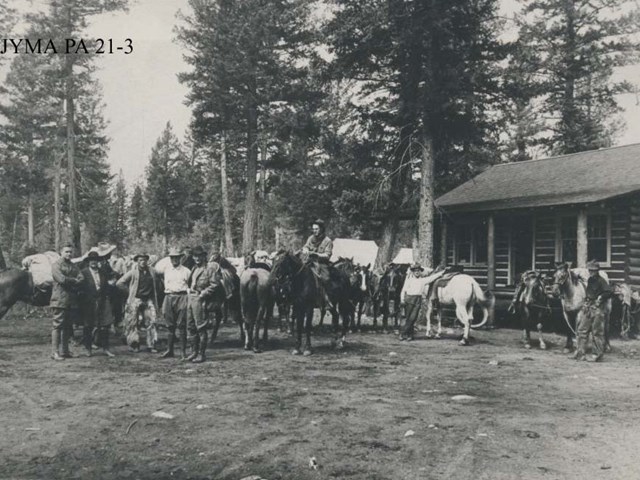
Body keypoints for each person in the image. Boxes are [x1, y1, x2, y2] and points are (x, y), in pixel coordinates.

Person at [116, 252, 162, 352]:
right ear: (137, 261)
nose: (142, 262)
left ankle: (151, 345)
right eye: (140, 260)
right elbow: (119, 283)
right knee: (133, 322)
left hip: (148, 299)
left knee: (151, 321)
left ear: (147, 261)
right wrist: (130, 293)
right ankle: (134, 344)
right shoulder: (133, 272)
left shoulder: (152, 271)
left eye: (144, 260)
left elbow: (160, 277)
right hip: (135, 299)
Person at [571, 260, 612, 362]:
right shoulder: (590, 280)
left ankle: (597, 355)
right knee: (581, 330)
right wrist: (586, 302)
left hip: (598, 309)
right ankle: (580, 353)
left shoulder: (601, 281)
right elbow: (589, 293)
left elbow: (608, 292)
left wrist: (600, 297)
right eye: (590, 270)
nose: (591, 272)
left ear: (597, 270)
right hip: (588, 307)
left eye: (593, 270)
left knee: (597, 332)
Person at [50, 244, 84, 361]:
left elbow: (82, 278)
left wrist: (74, 280)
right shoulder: (56, 265)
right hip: (59, 299)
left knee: (67, 327)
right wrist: (74, 280)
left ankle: (65, 351)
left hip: (71, 300)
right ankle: (54, 352)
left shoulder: (73, 266)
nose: (69, 254)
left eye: (70, 252)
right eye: (66, 252)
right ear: (61, 253)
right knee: (57, 326)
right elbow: (61, 280)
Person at [187, 246, 220, 363]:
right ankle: (194, 352)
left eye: (199, 256)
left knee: (200, 327)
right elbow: (191, 282)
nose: (197, 258)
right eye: (195, 256)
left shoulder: (209, 269)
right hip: (191, 298)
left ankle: (201, 354)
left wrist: (203, 294)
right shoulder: (194, 268)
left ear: (203, 256)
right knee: (191, 327)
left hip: (200, 299)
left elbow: (215, 284)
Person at [79, 251, 114, 357]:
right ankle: (88, 349)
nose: (93, 262)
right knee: (88, 326)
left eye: (95, 260)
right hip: (89, 302)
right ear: (88, 262)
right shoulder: (84, 273)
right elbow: (80, 288)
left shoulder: (102, 272)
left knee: (104, 325)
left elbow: (107, 286)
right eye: (91, 260)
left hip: (102, 300)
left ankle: (106, 348)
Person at [400, 264, 445, 341]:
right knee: (409, 318)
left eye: (418, 271)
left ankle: (404, 333)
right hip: (409, 299)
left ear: (420, 272)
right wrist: (402, 299)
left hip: (417, 300)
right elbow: (403, 290)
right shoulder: (409, 279)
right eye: (415, 271)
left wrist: (440, 273)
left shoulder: (422, 280)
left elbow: (431, 278)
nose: (417, 272)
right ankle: (408, 334)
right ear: (413, 272)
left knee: (413, 318)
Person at [160, 247, 191, 359]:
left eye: (176, 257)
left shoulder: (186, 271)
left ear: (180, 258)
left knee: (182, 325)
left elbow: (190, 285)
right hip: (169, 297)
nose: (174, 260)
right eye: (172, 258)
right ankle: (170, 350)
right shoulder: (166, 270)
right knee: (169, 326)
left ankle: (183, 352)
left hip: (182, 297)